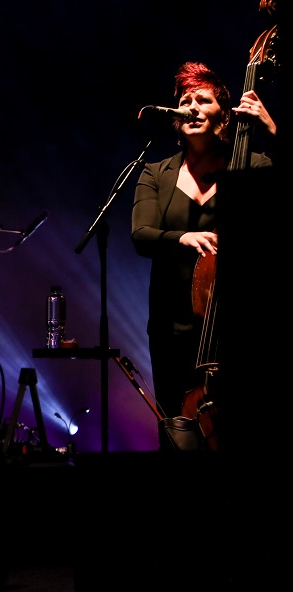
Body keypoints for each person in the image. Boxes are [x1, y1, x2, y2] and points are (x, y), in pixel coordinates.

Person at [131, 61, 276, 451]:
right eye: (185, 101)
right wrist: (183, 237)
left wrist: (271, 129)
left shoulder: (253, 165)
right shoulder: (156, 173)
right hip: (171, 329)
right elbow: (142, 236)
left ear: (224, 116)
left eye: (203, 100)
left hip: (239, 329)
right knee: (177, 437)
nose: (192, 107)